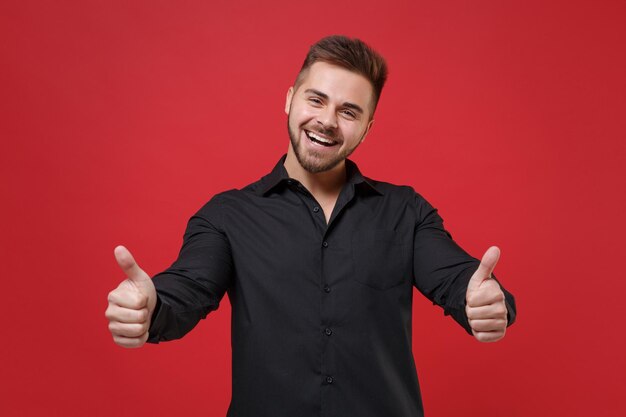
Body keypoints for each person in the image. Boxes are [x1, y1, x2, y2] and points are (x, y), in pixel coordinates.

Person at [105, 35, 516, 417]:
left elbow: (458, 281)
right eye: (316, 100)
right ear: (289, 99)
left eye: (349, 111)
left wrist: (485, 302)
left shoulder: (406, 212)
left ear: (368, 128)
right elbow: (187, 291)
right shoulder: (226, 216)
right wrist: (149, 307)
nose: (327, 121)